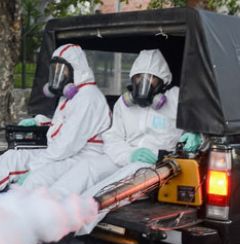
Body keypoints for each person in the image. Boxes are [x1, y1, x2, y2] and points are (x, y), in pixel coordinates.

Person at [45, 49, 202, 233]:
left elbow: (203, 124)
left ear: (162, 81)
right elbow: (112, 137)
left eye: (150, 78)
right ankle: (47, 205)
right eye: (138, 78)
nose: (143, 84)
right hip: (127, 155)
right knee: (88, 166)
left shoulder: (178, 99)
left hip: (157, 164)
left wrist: (198, 135)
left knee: (122, 178)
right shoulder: (124, 104)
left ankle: (75, 217)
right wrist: (129, 154)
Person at [0, 44, 111, 201]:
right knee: (12, 158)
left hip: (82, 157)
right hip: (62, 152)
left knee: (36, 179)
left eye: (62, 70)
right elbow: (64, 125)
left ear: (76, 69)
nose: (57, 75)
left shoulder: (88, 97)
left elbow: (65, 145)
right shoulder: (71, 95)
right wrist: (39, 121)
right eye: (54, 70)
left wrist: (33, 168)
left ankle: (2, 219)